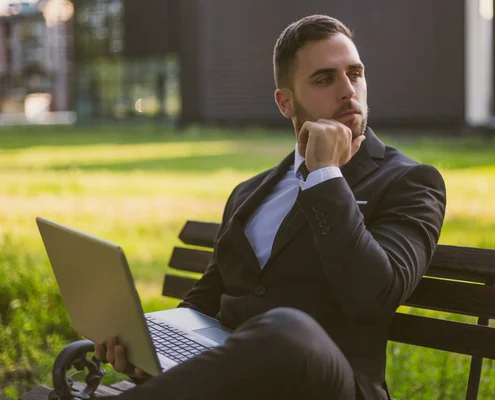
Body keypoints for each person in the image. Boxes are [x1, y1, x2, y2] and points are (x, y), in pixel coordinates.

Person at [94, 14, 446, 400]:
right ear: (285, 102)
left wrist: (325, 175)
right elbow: (207, 299)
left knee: (286, 329)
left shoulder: (409, 182)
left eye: (355, 73)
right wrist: (152, 349)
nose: (348, 90)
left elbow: (375, 298)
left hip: (331, 382)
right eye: (324, 79)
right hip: (236, 381)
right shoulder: (250, 193)